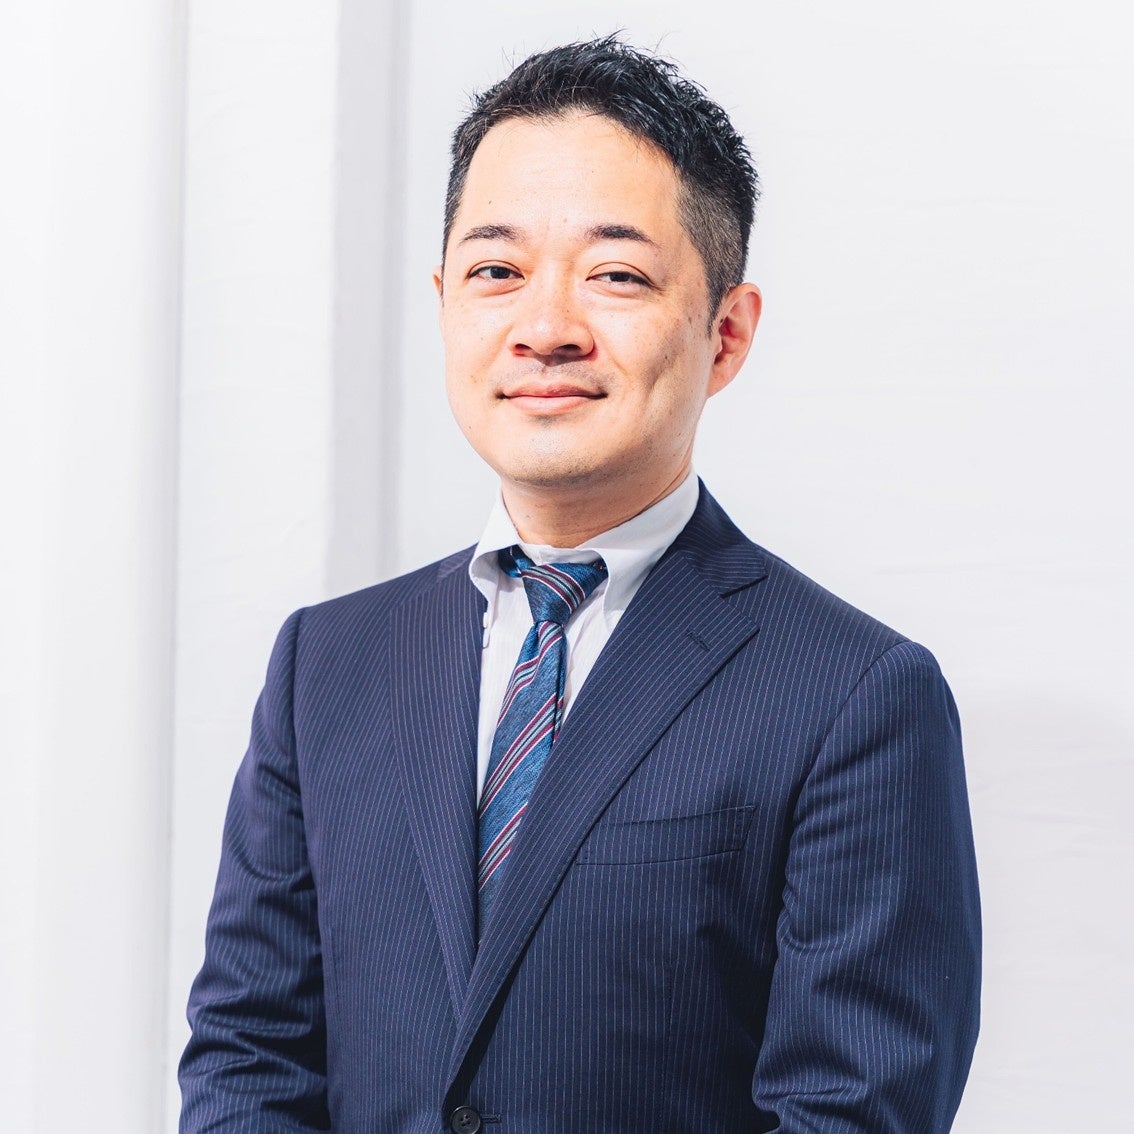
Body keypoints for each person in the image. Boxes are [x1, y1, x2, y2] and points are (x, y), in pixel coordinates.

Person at [179, 36, 980, 1133]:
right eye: (496, 272)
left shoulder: (854, 696)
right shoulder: (327, 665)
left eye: (616, 276)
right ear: (445, 302)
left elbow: (848, 1111)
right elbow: (249, 1055)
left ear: (727, 333)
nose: (546, 329)